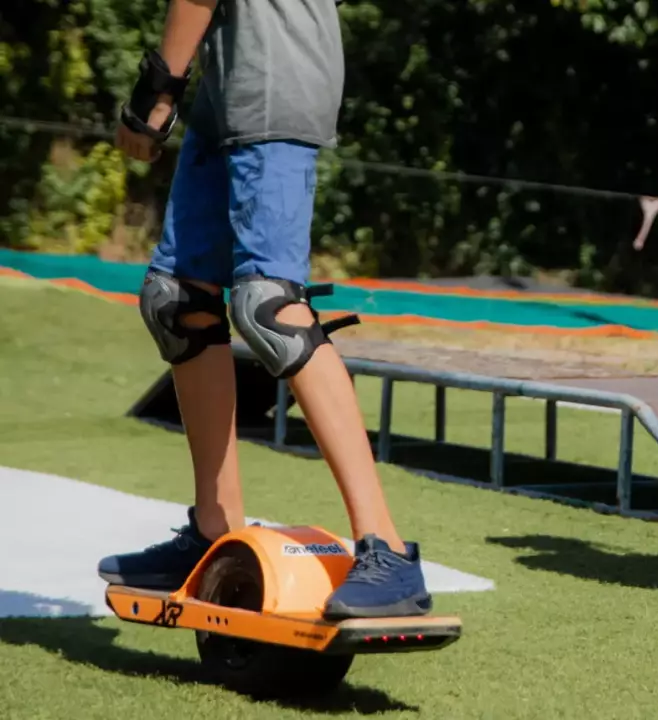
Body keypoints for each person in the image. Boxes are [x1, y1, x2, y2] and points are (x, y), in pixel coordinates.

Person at [97, 0, 434, 620]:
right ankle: (213, 529)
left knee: (269, 306)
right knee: (179, 299)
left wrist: (156, 92)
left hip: (273, 82)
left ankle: (386, 548)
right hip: (228, 89)